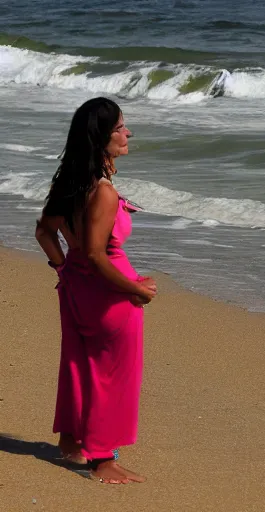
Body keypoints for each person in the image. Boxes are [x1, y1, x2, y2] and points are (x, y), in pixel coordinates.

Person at [35, 97, 156, 484]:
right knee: (112, 375)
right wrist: (136, 289)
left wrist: (64, 269)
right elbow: (97, 254)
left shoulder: (69, 181)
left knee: (78, 365)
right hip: (107, 294)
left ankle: (71, 443)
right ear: (101, 137)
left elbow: (45, 231)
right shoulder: (102, 192)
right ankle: (103, 459)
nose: (128, 133)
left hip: (76, 290)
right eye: (121, 127)